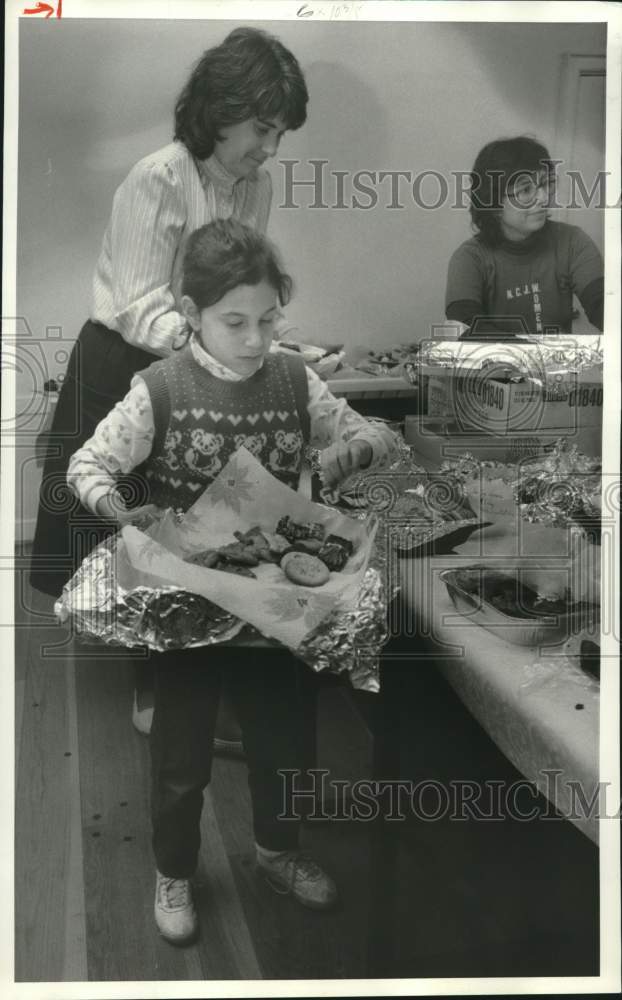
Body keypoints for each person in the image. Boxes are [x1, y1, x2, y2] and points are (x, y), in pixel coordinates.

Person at [66, 218, 402, 945]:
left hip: (275, 597)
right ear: (191, 316)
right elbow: (85, 467)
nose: (256, 338)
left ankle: (278, 851)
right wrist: (127, 513)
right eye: (235, 322)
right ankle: (175, 871)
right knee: (181, 756)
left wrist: (357, 447)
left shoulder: (293, 378)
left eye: (270, 319)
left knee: (284, 739)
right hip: (187, 600)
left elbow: (372, 432)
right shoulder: (158, 388)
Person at [29, 25, 309, 733]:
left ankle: (198, 665)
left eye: (280, 133)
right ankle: (151, 687)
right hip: (126, 360)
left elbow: (241, 282)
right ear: (221, 107)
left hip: (201, 362)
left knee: (203, 525)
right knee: (137, 527)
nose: (269, 149)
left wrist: (263, 342)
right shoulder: (159, 176)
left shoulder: (257, 186)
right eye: (262, 128)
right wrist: (220, 352)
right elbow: (140, 305)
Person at [445, 136, 604, 335]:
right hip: (495, 365)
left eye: (546, 184)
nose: (544, 198)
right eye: (526, 190)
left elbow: (604, 306)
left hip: (558, 366)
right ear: (493, 203)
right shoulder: (469, 258)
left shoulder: (572, 242)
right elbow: (465, 326)